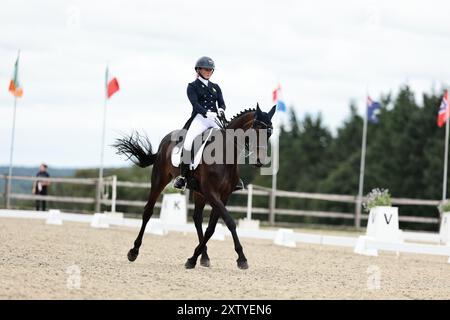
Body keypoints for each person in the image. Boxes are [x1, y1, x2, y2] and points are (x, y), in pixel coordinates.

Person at [173, 56, 243, 190]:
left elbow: (221, 102)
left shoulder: (215, 87)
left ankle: (233, 177)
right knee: (188, 143)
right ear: (198, 70)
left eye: (211, 69)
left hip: (215, 119)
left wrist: (221, 109)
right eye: (206, 69)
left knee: (230, 140)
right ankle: (183, 177)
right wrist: (206, 112)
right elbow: (195, 103)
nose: (209, 71)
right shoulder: (192, 86)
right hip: (200, 119)